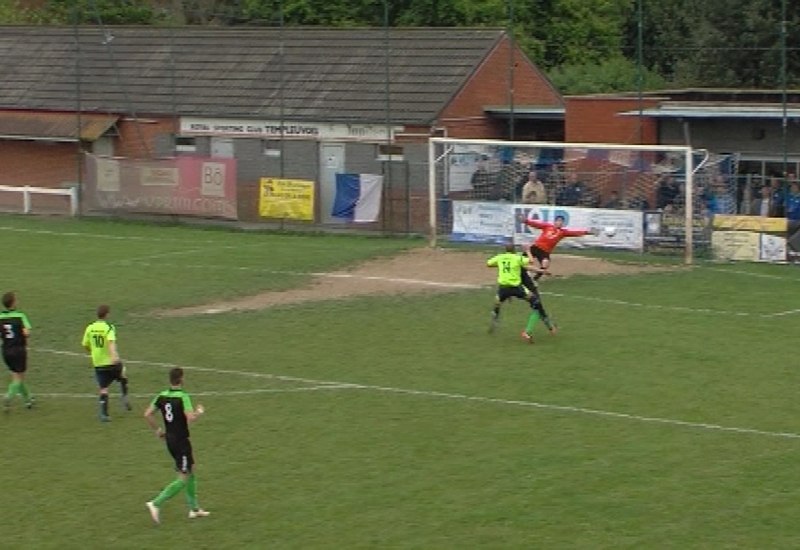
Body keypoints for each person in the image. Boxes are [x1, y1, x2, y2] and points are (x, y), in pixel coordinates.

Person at [144, 367, 209, 523]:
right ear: (182, 379)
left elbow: (147, 414)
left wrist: (158, 430)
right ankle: (156, 503)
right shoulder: (183, 397)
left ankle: (194, 509)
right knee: (184, 477)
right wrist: (199, 411)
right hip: (181, 441)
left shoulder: (162, 395)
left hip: (170, 440)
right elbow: (190, 418)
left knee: (191, 469)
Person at [487, 243, 545, 344]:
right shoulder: (517, 258)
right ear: (514, 250)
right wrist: (527, 251)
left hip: (503, 288)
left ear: (505, 250)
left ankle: (495, 315)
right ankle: (527, 332)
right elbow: (531, 261)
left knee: (498, 302)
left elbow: (488, 264)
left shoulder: (500, 257)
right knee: (536, 303)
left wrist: (500, 264)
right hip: (516, 288)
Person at [82, 304, 130, 422]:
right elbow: (110, 343)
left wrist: (93, 352)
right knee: (123, 374)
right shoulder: (109, 327)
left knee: (103, 388)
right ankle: (124, 397)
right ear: (107, 314)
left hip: (98, 363)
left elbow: (85, 344)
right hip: (110, 361)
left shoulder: (90, 327)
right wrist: (114, 357)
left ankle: (104, 414)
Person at [519, 214, 596, 281]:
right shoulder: (547, 226)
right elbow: (536, 224)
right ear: (555, 221)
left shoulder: (563, 232)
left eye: (561, 221)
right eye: (558, 221)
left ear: (563, 223)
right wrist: (526, 221)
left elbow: (575, 233)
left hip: (545, 251)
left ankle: (535, 279)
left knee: (545, 264)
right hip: (536, 247)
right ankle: (517, 273)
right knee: (521, 260)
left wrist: (588, 232)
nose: (559, 223)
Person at [0, 292, 34, 411]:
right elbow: (27, 333)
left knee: (17, 375)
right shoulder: (20, 316)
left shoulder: (0, 317)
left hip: (5, 351)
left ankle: (28, 399)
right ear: (13, 303)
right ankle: (8, 396)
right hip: (18, 350)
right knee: (18, 378)